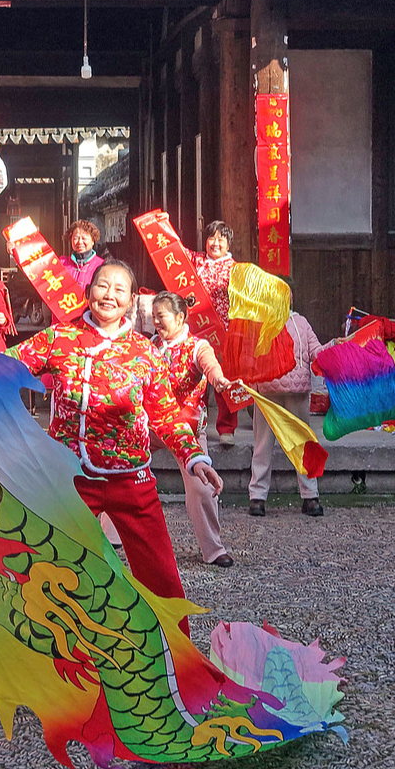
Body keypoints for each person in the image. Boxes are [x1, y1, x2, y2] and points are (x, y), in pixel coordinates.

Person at [13, 262, 220, 631]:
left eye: (119, 289)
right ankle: (52, 663)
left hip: (132, 482)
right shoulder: (59, 338)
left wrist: (194, 456)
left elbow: (166, 414)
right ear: (88, 291)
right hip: (68, 479)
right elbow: (4, 366)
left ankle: (176, 662)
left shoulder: (144, 352)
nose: (109, 294)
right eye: (102, 285)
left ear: (130, 302)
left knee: (162, 579)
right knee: (50, 571)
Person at [150, 293, 236, 568]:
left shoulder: (198, 346)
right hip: (152, 425)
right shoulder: (150, 345)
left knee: (201, 488)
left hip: (187, 428)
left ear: (180, 317)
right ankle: (113, 536)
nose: (156, 322)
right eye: (153, 317)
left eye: (161, 316)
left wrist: (218, 379)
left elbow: (210, 365)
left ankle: (213, 548)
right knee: (124, 470)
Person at [249, 310, 325, 518]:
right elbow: (316, 351)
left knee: (263, 445)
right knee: (302, 443)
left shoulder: (259, 322)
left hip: (267, 389)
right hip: (292, 391)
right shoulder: (299, 322)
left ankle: (257, 498)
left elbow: (250, 354)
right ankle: (310, 497)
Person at [190, 221, 243, 439]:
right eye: (212, 237)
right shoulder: (195, 261)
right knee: (196, 379)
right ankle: (195, 423)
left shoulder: (236, 268)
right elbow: (171, 252)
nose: (216, 242)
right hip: (197, 327)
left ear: (229, 242)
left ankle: (227, 428)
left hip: (225, 331)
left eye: (221, 238)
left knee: (224, 378)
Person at [56, 220, 103, 289]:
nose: (80, 242)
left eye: (84, 238)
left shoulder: (101, 265)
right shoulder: (62, 262)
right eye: (76, 238)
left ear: (93, 241)